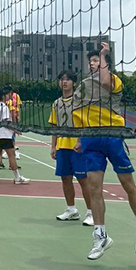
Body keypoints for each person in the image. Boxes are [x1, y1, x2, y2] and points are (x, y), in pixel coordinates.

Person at [73, 42, 136, 260]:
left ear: (105, 62)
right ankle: (100, 236)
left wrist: (104, 54)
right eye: (91, 61)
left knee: (128, 185)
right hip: (91, 138)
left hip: (113, 135)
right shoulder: (84, 85)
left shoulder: (113, 80)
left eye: (96, 60)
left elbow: (105, 82)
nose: (92, 63)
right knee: (94, 188)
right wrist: (79, 138)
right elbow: (77, 111)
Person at [49, 71, 92, 224]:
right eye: (62, 79)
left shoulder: (80, 102)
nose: (64, 82)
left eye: (67, 80)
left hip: (77, 147)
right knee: (65, 178)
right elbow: (54, 126)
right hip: (62, 146)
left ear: (74, 83)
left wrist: (80, 141)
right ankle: (71, 210)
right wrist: (53, 146)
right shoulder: (56, 103)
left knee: (83, 179)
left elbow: (85, 123)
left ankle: (91, 212)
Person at [0, 90, 31, 185]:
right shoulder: (3, 107)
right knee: (11, 155)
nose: (10, 96)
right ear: (3, 96)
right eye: (8, 94)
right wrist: (15, 130)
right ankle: (17, 178)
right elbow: (6, 123)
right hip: (4, 135)